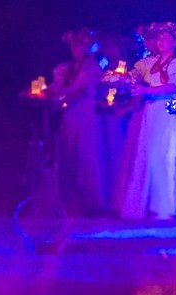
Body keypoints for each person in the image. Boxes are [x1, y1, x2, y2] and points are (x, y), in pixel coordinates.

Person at [114, 22, 176, 220]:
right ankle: (141, 206)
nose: (161, 41)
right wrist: (121, 79)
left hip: (170, 113)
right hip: (151, 112)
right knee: (146, 155)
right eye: (159, 38)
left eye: (165, 38)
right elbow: (133, 75)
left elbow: (174, 86)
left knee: (165, 156)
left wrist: (147, 90)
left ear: (175, 41)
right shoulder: (149, 62)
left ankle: (166, 207)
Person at [52, 28, 113, 216]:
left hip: (85, 114)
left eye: (79, 45)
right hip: (70, 115)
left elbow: (84, 90)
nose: (75, 49)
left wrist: (65, 99)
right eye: (73, 45)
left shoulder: (92, 66)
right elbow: (61, 88)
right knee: (69, 155)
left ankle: (92, 202)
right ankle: (70, 201)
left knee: (86, 155)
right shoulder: (67, 67)